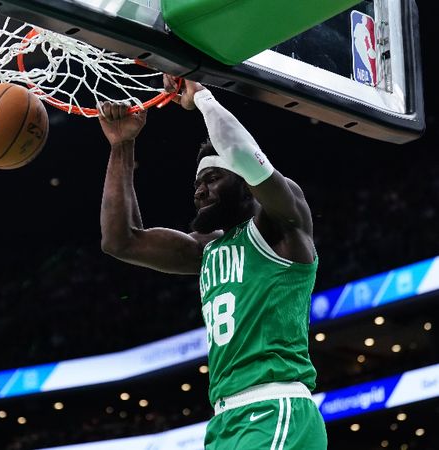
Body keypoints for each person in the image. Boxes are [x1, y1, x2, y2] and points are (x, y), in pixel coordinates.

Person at [97, 76, 327, 449]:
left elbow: (241, 153)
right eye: (197, 184)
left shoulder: (282, 225)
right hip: (224, 422)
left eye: (213, 178)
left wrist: (203, 98)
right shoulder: (206, 250)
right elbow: (119, 240)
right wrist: (122, 145)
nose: (200, 191)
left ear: (244, 182)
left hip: (274, 407)